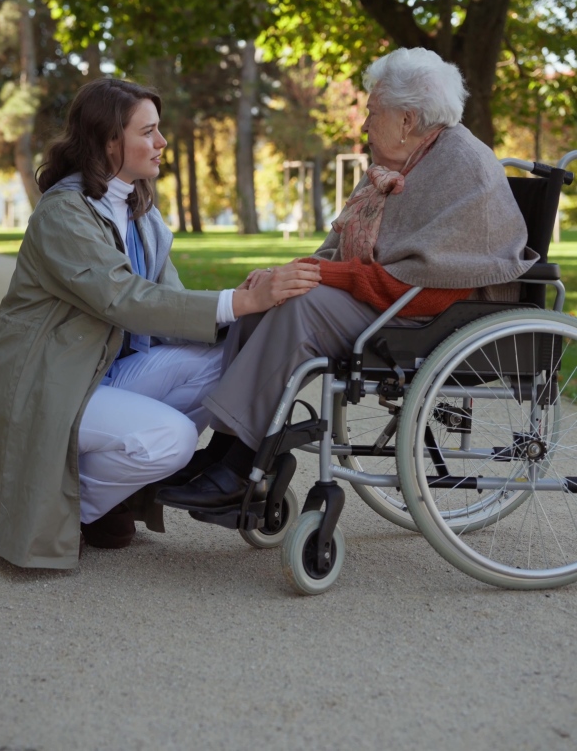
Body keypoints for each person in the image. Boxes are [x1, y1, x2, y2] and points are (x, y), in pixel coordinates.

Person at [157, 47, 537, 512]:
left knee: (300, 305)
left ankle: (240, 468)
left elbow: (427, 283)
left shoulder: (462, 167)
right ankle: (227, 449)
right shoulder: (400, 164)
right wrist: (286, 273)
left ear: (408, 119)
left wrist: (311, 276)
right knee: (266, 298)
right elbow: (340, 250)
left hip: (431, 315)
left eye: (373, 112)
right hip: (392, 303)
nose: (364, 123)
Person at [0, 79, 320, 569]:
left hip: (109, 373)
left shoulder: (141, 213)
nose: (162, 143)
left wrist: (252, 300)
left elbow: (172, 305)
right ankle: (68, 510)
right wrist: (239, 303)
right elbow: (126, 299)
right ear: (109, 141)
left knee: (228, 358)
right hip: (55, 382)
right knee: (172, 439)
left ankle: (100, 502)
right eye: (150, 131)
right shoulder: (63, 215)